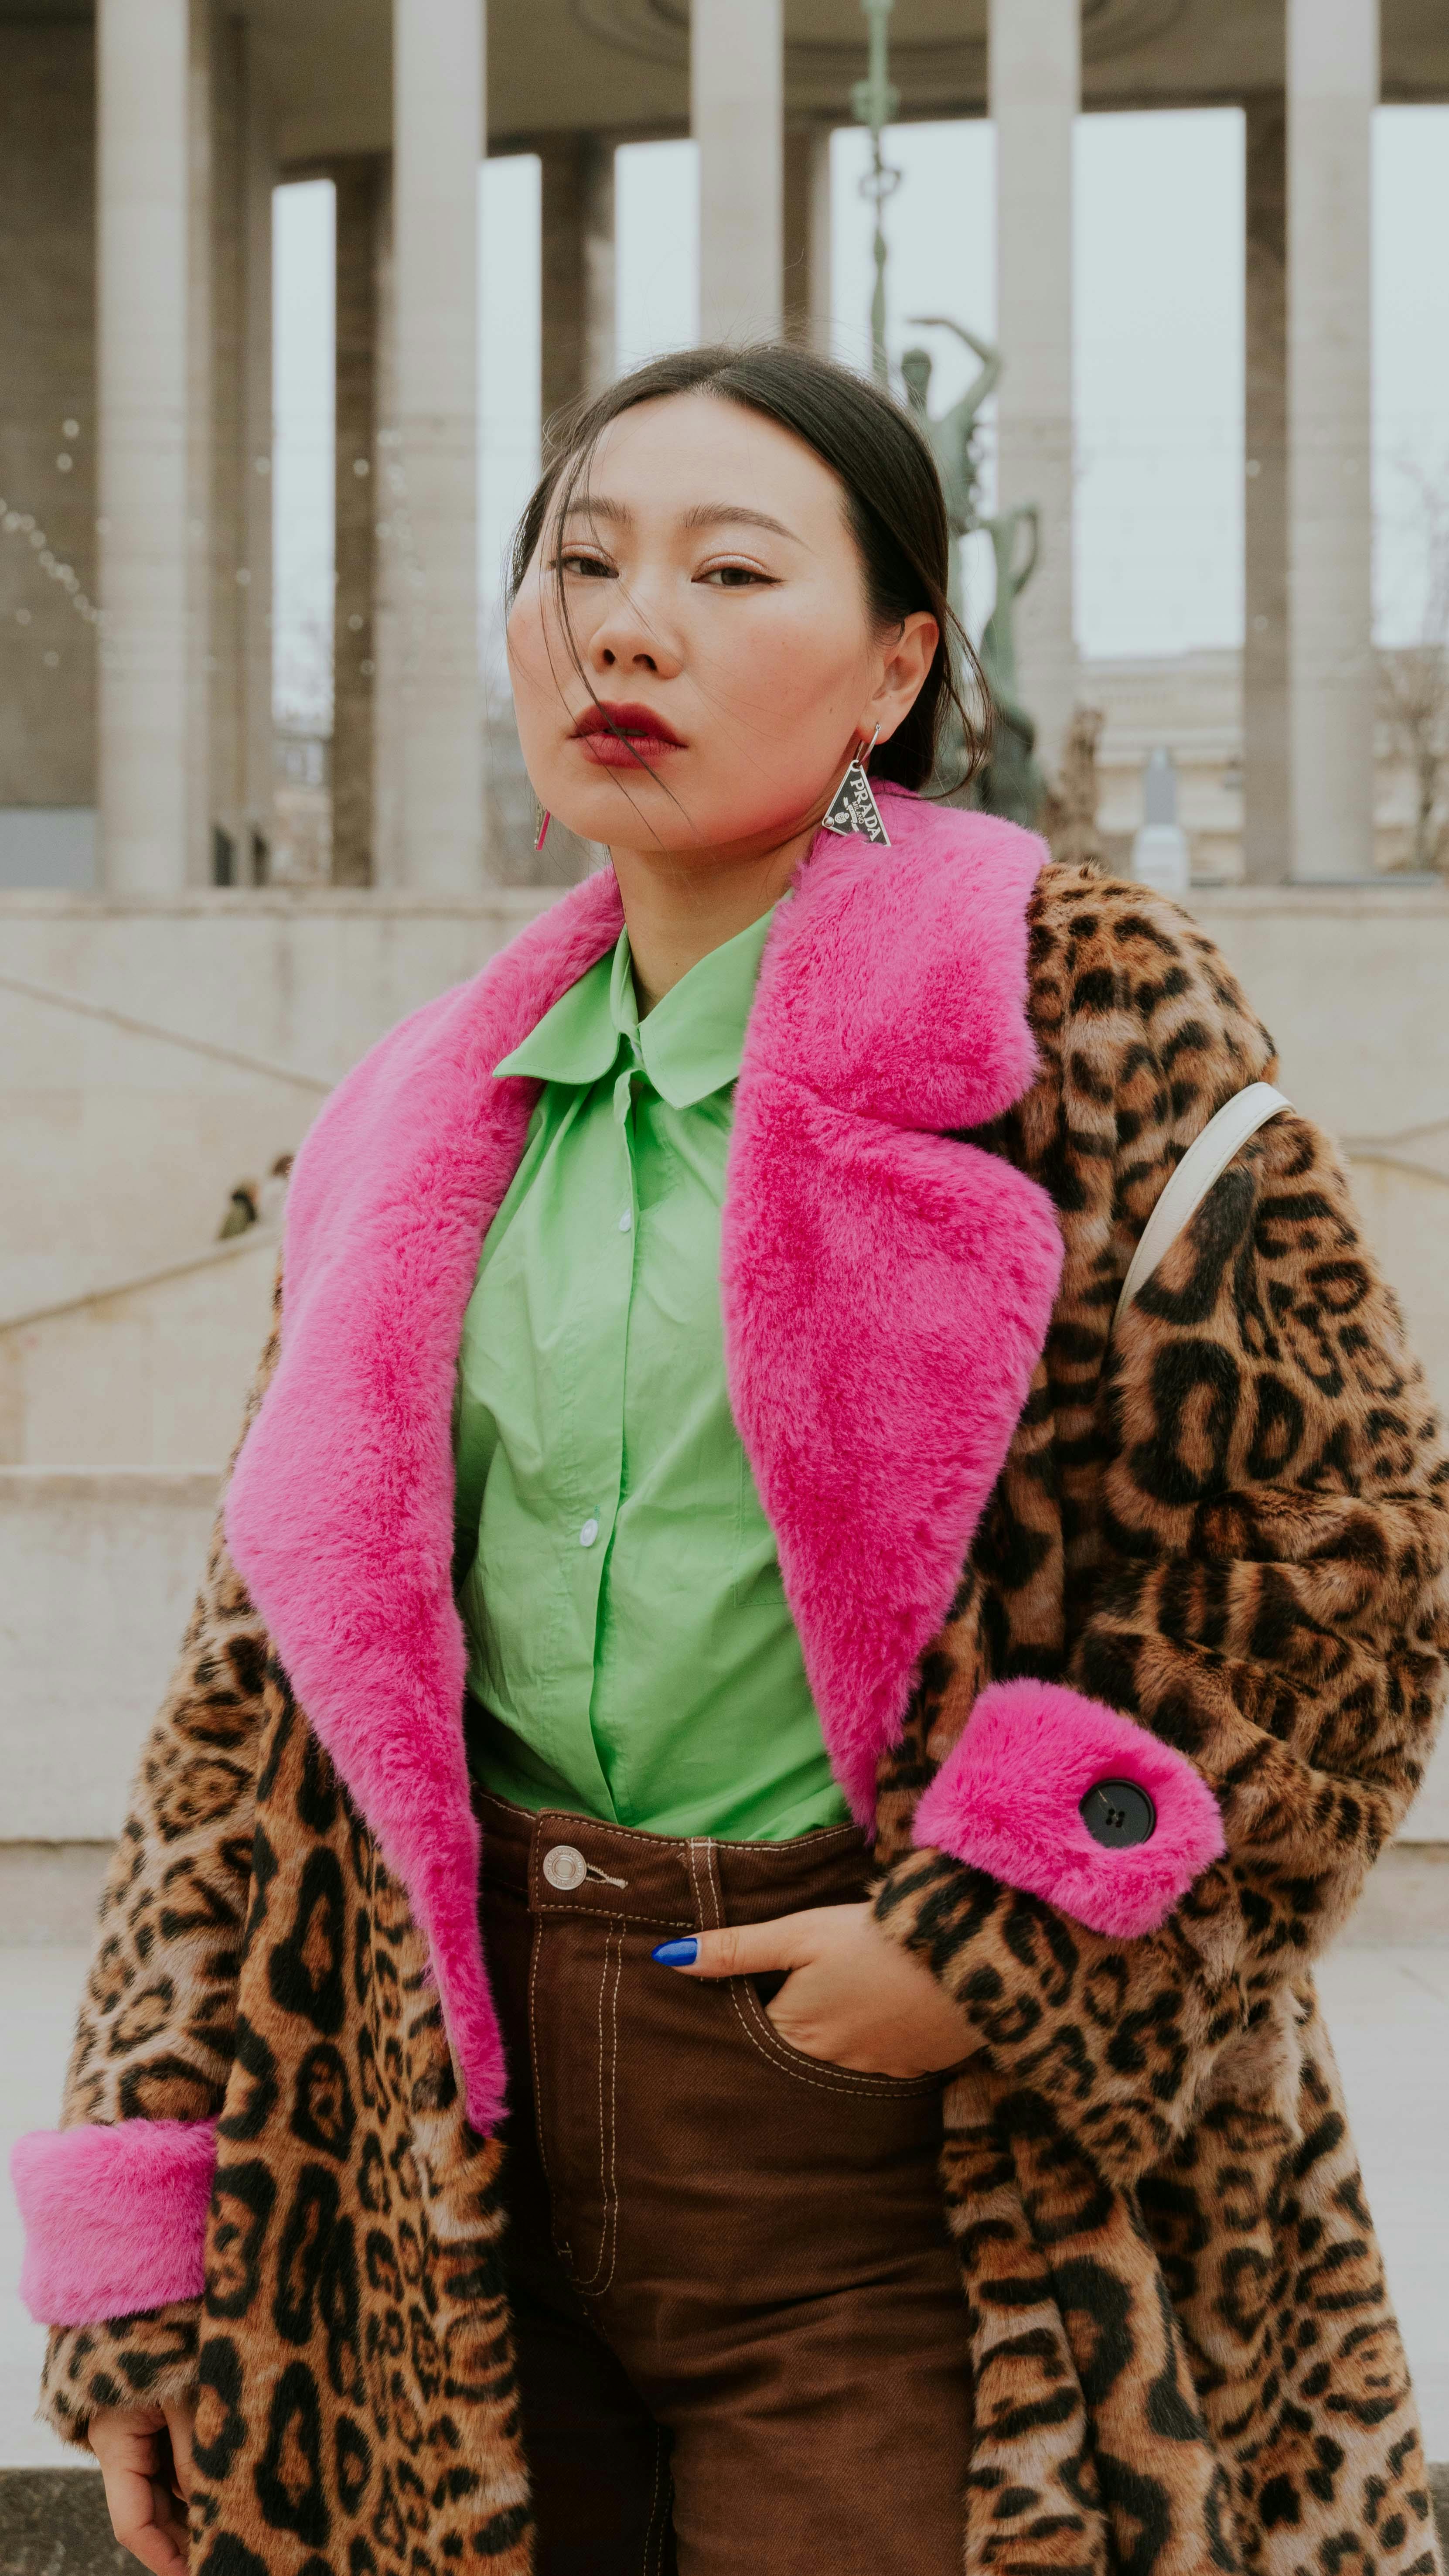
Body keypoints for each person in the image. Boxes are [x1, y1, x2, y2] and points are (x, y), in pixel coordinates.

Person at [14, 344, 1446, 2576]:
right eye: (578, 563)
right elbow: (248, 1729)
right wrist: (145, 2256)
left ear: (895, 666)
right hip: (443, 2133)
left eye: (728, 567)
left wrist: (992, 1935)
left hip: (891, 2130)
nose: (628, 624)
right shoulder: (418, 1120)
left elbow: (1340, 1545)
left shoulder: (1077, 1011)